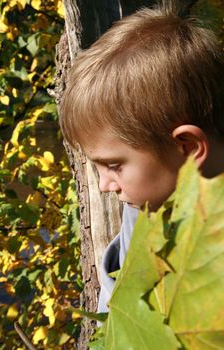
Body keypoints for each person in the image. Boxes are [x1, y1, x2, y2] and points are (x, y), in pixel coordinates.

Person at [59, 1, 224, 313]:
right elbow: (117, 304)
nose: (105, 185)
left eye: (113, 166)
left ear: (187, 149)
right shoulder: (147, 211)